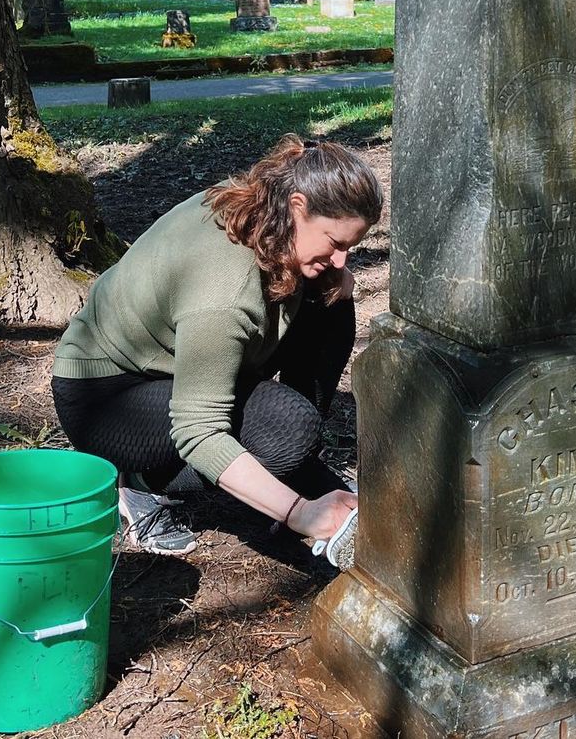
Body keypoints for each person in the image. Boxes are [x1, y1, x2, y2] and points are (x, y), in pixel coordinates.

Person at [51, 134, 382, 566]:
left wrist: (330, 279)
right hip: (109, 396)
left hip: (179, 364)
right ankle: (137, 481)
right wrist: (299, 513)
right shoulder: (224, 292)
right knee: (288, 430)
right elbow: (199, 431)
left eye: (350, 247)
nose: (343, 259)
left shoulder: (269, 209)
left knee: (332, 298)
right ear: (298, 206)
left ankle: (289, 469)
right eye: (335, 243)